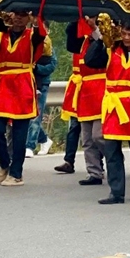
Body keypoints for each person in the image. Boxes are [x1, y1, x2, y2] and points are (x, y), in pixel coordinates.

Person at [84, 16, 130, 205]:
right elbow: (89, 61)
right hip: (113, 105)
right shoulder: (111, 50)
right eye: (124, 34)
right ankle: (116, 192)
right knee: (112, 150)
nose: (127, 38)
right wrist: (102, 38)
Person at [0, 10, 50, 187]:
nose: (18, 17)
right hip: (2, 83)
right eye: (15, 13)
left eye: (23, 14)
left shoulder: (32, 36)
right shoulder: (0, 34)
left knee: (19, 133)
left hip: (22, 83)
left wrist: (38, 18)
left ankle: (17, 173)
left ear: (29, 17)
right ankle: (4, 163)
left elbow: (41, 35)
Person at [74, 17, 108, 187]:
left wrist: (96, 28)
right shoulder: (82, 42)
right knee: (87, 138)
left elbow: (102, 42)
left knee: (99, 135)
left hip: (102, 89)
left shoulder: (106, 40)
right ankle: (94, 172)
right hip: (85, 91)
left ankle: (113, 160)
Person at [54, 20, 86, 175]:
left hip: (93, 86)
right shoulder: (76, 37)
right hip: (77, 86)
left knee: (94, 131)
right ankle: (69, 160)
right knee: (74, 127)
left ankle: (97, 163)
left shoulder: (100, 39)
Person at [26, 41, 57, 157]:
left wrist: (37, 68)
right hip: (27, 82)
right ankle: (44, 140)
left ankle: (29, 146)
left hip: (42, 84)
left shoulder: (48, 46)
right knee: (27, 117)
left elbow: (52, 65)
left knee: (35, 116)